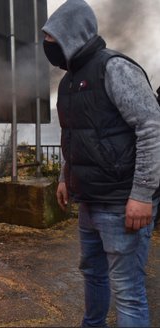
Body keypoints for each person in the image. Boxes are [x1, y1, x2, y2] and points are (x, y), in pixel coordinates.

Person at [42, 0, 160, 326]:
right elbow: (72, 138)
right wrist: (65, 178)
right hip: (89, 202)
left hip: (122, 203)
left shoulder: (115, 68)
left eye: (52, 38)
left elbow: (152, 127)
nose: (46, 46)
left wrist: (141, 194)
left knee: (128, 290)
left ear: (73, 35)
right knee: (92, 274)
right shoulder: (67, 82)